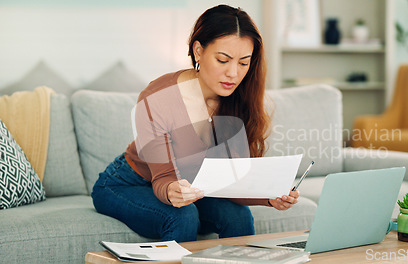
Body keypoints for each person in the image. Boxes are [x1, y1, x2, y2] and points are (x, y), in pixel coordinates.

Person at [91, 4, 300, 243]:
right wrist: (173, 191)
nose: (233, 73)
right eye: (223, 60)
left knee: (239, 217)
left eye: (243, 63)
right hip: (128, 183)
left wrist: (270, 198)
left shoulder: (239, 99)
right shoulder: (158, 97)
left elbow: (233, 183)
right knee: (183, 216)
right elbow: (163, 179)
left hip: (193, 186)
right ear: (198, 51)